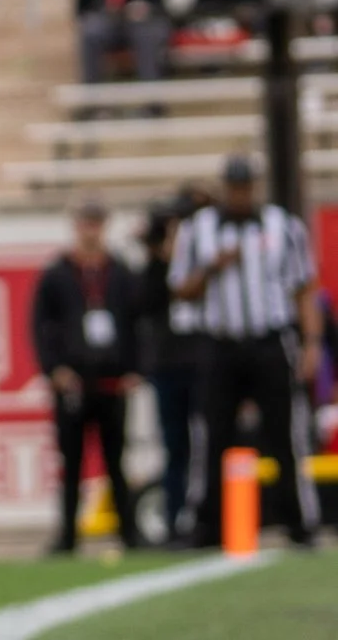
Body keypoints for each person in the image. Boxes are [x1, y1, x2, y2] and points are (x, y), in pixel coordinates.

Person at [171, 156, 324, 550]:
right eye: (234, 186)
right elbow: (180, 289)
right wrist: (211, 268)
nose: (240, 194)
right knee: (211, 435)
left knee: (285, 435)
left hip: (268, 342)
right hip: (220, 343)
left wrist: (311, 344)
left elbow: (304, 289)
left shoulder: (283, 226)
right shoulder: (197, 229)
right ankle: (206, 523)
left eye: (246, 186)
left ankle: (299, 521)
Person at [32, 200, 146, 554]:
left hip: (112, 380)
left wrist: (135, 369)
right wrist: (54, 369)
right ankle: (67, 535)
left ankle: (128, 532)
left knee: (116, 459)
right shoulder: (57, 274)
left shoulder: (120, 273)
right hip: (74, 381)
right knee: (72, 461)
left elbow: (138, 323)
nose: (91, 230)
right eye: (85, 222)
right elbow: (40, 326)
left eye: (97, 222)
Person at [139, 189, 209, 545]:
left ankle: (204, 519)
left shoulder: (206, 257)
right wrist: (159, 253)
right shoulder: (155, 268)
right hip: (168, 366)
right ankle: (174, 520)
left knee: (205, 444)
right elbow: (147, 303)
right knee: (174, 448)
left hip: (201, 363)